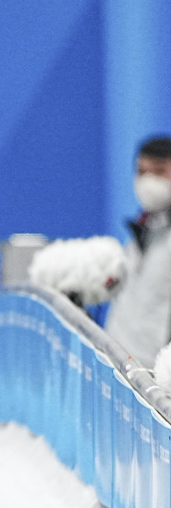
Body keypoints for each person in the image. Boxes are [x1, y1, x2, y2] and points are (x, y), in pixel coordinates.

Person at [104, 136, 171, 368]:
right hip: (122, 371)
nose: (148, 181)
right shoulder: (140, 232)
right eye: (141, 172)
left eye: (160, 171)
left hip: (157, 385)